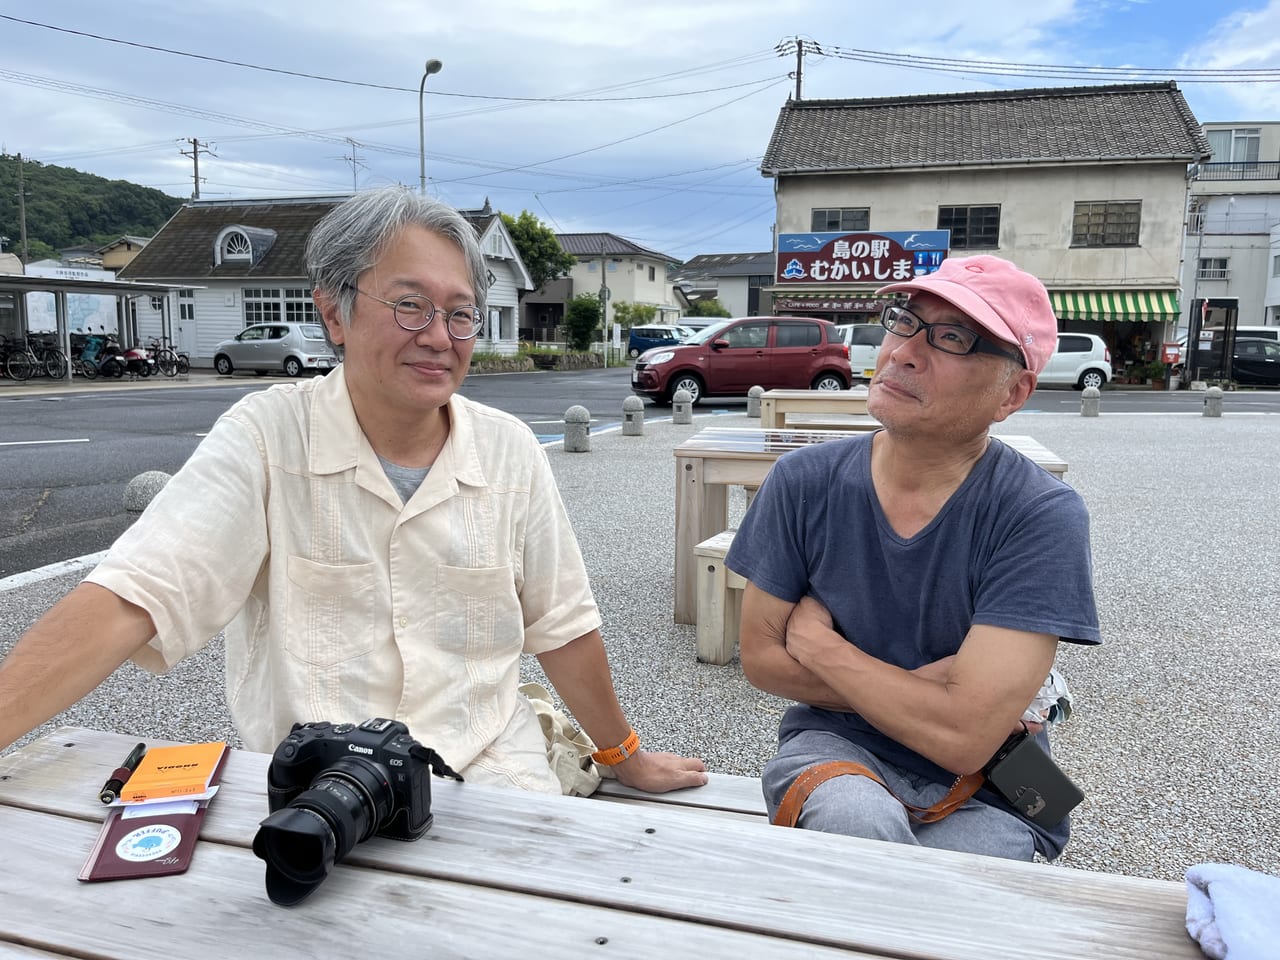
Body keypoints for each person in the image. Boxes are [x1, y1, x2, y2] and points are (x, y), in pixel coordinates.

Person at [0, 187, 706, 796]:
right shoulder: (269, 437)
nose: (439, 336)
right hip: (320, 781)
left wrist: (624, 756)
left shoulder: (508, 450)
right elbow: (133, 595)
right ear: (334, 314)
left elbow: (562, 626)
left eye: (460, 314)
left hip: (489, 767)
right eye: (409, 306)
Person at [726, 255, 1100, 861]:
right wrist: (943, 698)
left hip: (998, 784)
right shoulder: (803, 482)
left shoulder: (1039, 514)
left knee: (956, 888)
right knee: (855, 826)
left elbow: (967, 740)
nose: (902, 351)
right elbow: (764, 661)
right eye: (904, 320)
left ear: (1014, 393)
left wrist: (826, 650)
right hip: (835, 745)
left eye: (953, 337)